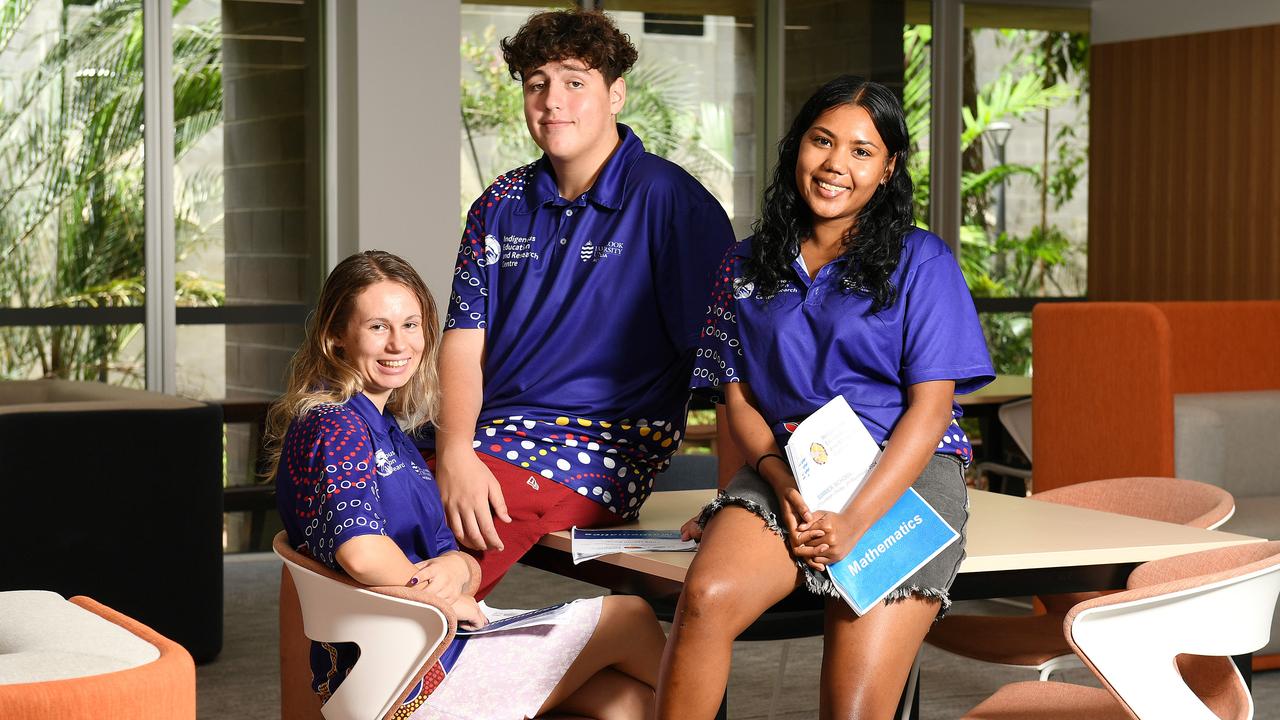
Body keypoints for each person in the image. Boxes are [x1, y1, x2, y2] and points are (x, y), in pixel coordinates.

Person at [656, 76, 995, 719]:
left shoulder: (922, 260)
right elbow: (739, 401)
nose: (836, 164)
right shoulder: (743, 264)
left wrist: (855, 520)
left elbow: (930, 411)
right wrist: (769, 484)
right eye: (822, 141)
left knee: (852, 708)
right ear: (797, 149)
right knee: (704, 599)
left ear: (889, 167)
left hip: (905, 472)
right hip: (789, 466)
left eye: (862, 151)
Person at [267, 251, 665, 720]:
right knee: (632, 617)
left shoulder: (387, 429)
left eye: (411, 325)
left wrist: (458, 571)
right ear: (336, 337)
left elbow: (450, 554)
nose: (399, 344)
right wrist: (449, 597)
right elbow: (361, 552)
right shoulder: (335, 424)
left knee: (627, 703)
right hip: (410, 665)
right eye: (378, 327)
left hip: (417, 649)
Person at [433, 8, 736, 598]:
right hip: (489, 435)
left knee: (415, 560)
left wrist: (733, 498)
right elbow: (462, 344)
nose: (552, 101)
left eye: (575, 81)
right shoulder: (498, 204)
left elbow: (730, 365)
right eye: (537, 83)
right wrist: (454, 451)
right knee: (339, 489)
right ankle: (619, 681)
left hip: (595, 449)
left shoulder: (673, 204)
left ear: (616, 94)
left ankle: (604, 660)